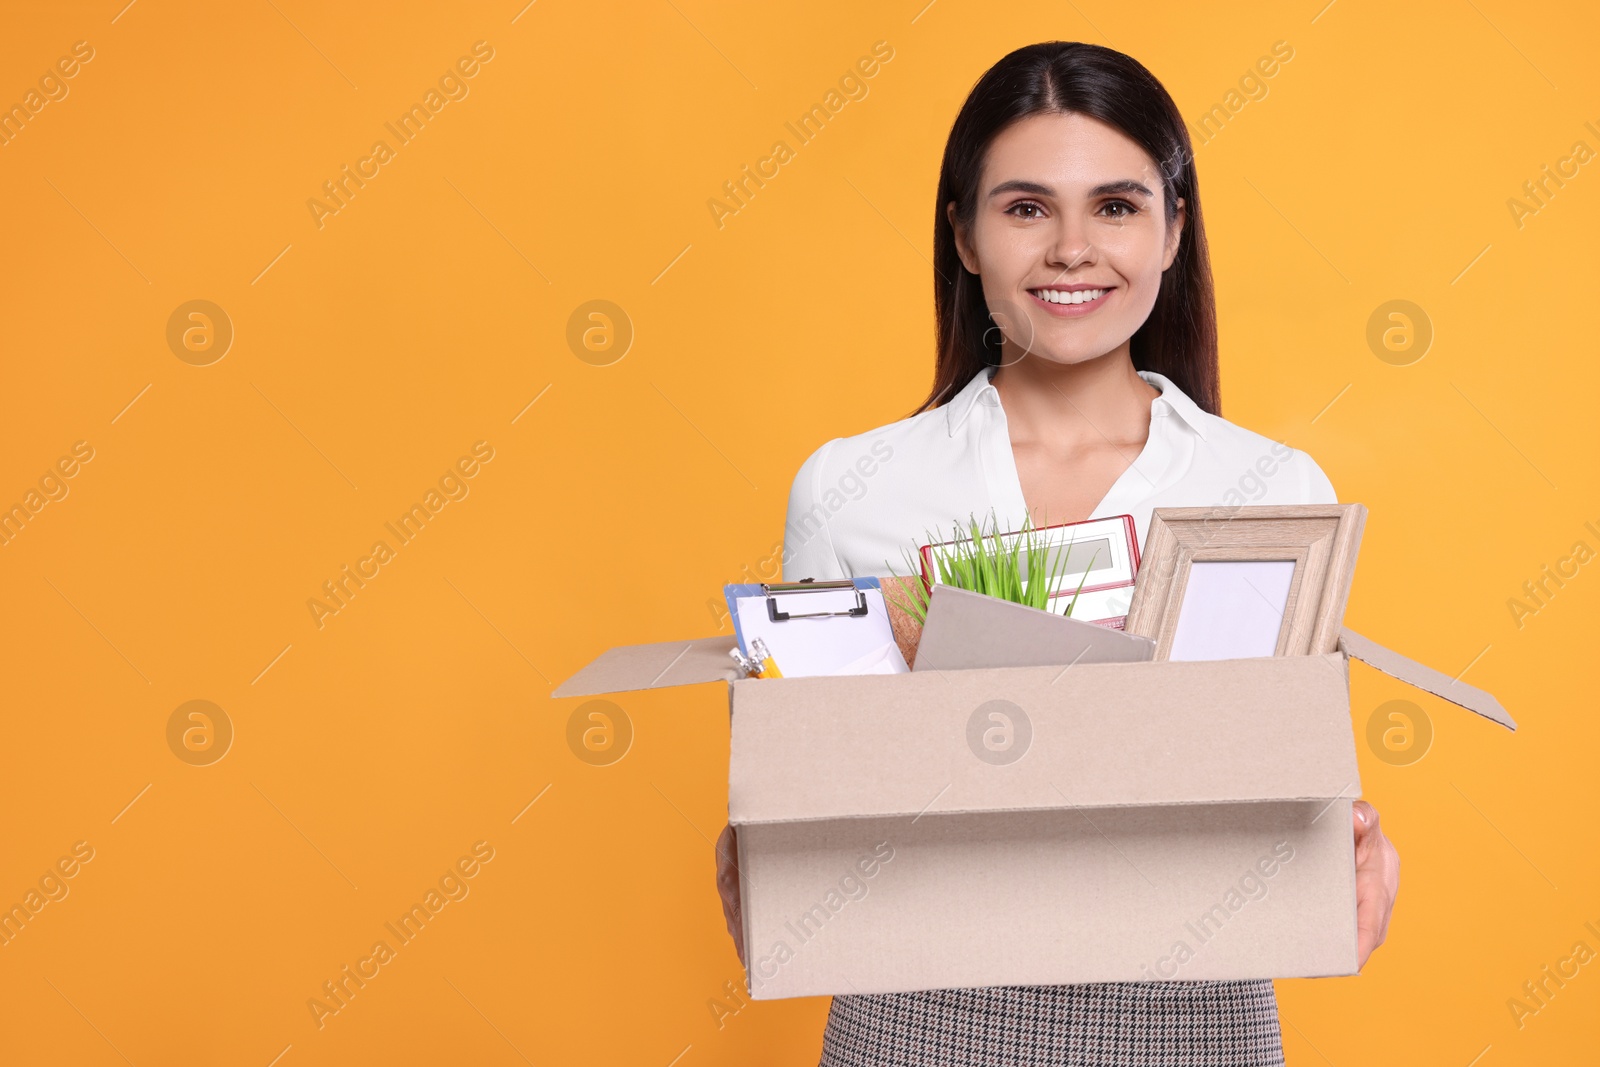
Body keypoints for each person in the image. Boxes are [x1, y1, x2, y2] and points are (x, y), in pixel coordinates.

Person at [714, 40, 1400, 1066]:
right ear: (963, 234)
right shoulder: (856, 486)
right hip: (920, 1010)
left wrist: (1351, 853)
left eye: (1117, 206)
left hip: (1196, 1010)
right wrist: (765, 856)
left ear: (1173, 231)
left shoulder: (1270, 487)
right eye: (1027, 207)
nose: (1072, 247)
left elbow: (1286, 768)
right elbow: (803, 774)